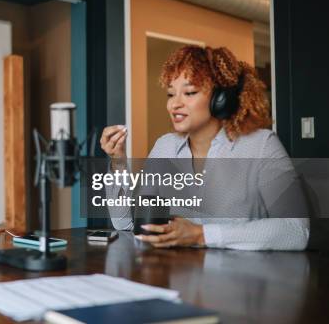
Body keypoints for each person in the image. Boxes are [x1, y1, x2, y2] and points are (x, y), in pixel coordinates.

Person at [100, 45, 309, 250]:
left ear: (221, 98)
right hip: (177, 277)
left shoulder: (261, 145)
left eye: (189, 92)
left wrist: (201, 235)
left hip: (243, 279)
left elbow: (297, 231)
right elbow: (126, 225)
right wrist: (118, 162)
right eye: (171, 94)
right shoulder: (165, 147)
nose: (174, 104)